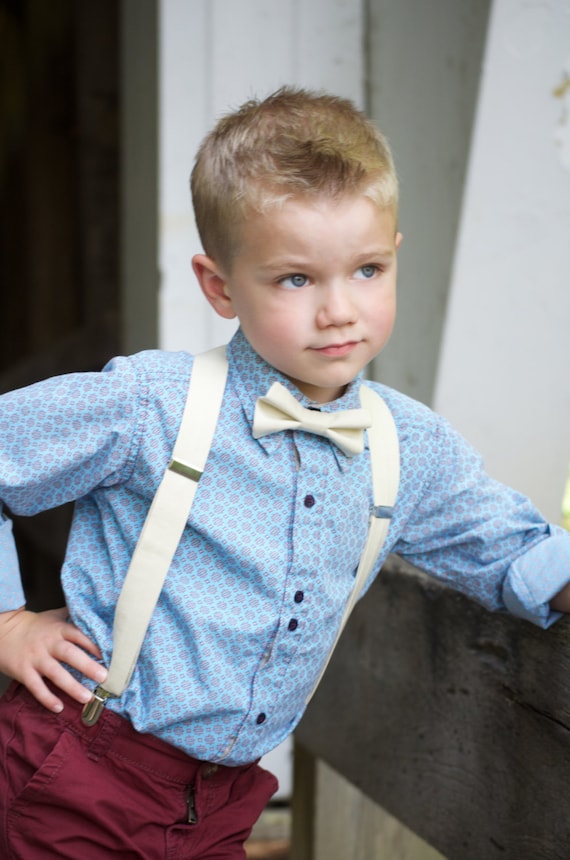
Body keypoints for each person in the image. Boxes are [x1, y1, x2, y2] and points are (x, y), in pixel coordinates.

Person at [1, 87, 569, 859]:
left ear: (395, 254)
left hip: (225, 800)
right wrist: (7, 621)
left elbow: (510, 551)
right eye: (296, 280)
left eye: (366, 270)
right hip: (83, 771)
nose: (339, 310)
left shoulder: (408, 446)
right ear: (220, 285)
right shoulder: (149, 404)